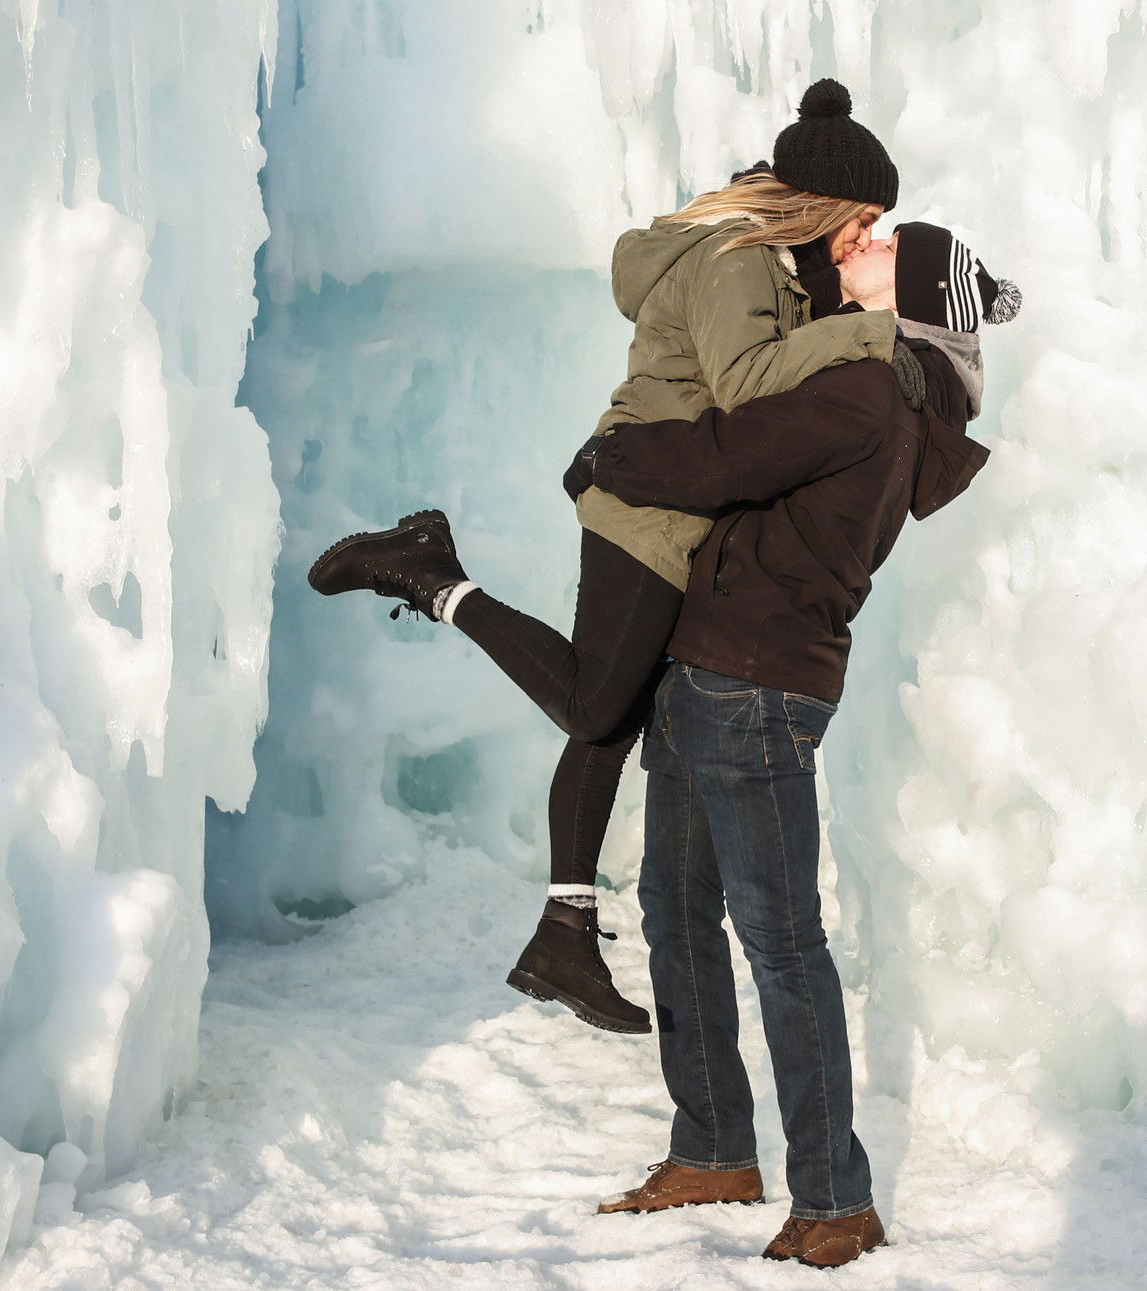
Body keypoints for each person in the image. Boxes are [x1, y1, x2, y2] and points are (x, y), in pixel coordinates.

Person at [309, 79, 908, 1033]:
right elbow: (750, 387)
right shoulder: (737, 262)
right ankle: (427, 573)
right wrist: (872, 326)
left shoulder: (778, 268)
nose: (867, 234)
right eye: (865, 217)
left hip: (673, 505)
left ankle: (564, 936)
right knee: (595, 701)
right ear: (826, 201)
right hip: (644, 508)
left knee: (613, 718)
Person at [585, 221, 1013, 1267]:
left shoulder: (874, 390)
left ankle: (834, 1197)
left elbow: (732, 450)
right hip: (710, 663)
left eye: (882, 244)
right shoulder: (869, 372)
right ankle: (716, 1145)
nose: (856, 246)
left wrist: (618, 455)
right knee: (673, 909)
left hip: (755, 683)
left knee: (781, 942)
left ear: (906, 285)